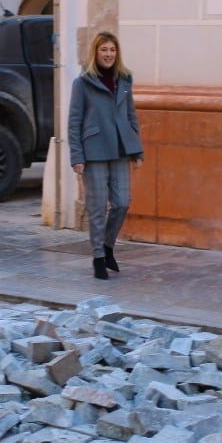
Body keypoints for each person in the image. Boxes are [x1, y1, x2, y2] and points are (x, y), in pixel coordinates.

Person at [68, 31, 143, 280]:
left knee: (122, 203)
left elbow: (131, 116)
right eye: (104, 50)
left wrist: (137, 149)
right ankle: (98, 257)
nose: (108, 54)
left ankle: (108, 246)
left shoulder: (124, 80)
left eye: (112, 50)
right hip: (94, 152)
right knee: (97, 207)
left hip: (121, 149)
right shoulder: (83, 82)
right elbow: (74, 120)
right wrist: (76, 156)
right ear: (96, 53)